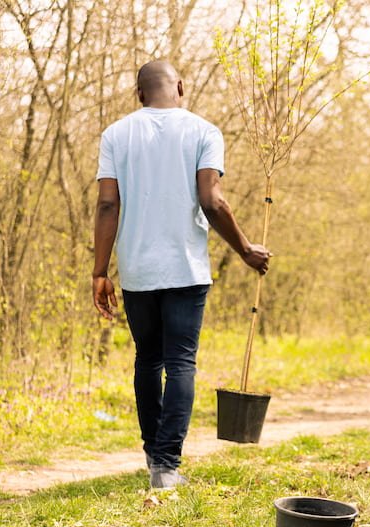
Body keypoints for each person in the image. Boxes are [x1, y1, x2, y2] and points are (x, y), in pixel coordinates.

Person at [92, 60, 270, 490]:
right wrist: (245, 249)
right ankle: (166, 467)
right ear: (182, 87)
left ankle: (155, 456)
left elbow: (107, 205)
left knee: (148, 360)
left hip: (136, 269)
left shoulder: (116, 134)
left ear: (139, 94)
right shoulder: (203, 132)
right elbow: (212, 201)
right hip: (186, 269)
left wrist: (100, 271)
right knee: (180, 362)